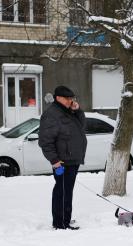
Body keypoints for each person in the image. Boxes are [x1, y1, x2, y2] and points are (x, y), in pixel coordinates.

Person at [38, 86, 87, 230]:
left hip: (72, 159)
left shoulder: (68, 112)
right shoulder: (52, 115)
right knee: (62, 191)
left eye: (72, 98)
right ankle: (60, 223)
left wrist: (78, 110)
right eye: (68, 99)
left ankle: (65, 219)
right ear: (58, 98)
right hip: (62, 161)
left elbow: (82, 126)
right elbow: (45, 141)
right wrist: (54, 160)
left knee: (67, 191)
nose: (71, 101)